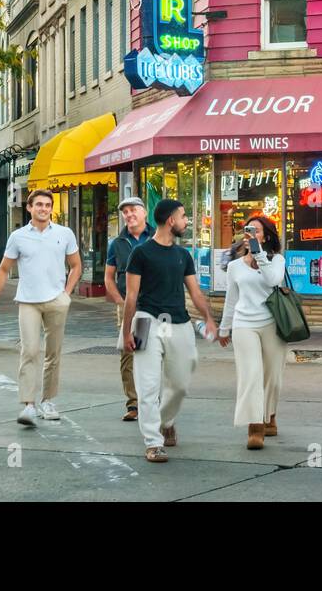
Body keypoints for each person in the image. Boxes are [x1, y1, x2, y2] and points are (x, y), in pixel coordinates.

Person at [122, 198, 218, 463]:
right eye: (184, 216)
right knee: (148, 384)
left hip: (178, 322)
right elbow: (131, 296)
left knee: (180, 383)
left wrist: (209, 318)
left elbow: (195, 291)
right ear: (170, 220)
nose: (187, 221)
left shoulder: (182, 255)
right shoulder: (140, 253)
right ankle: (154, 442)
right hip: (146, 321)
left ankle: (167, 421)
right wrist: (127, 332)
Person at [0, 189, 83, 427]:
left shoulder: (64, 233)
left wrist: (66, 294)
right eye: (39, 204)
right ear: (29, 207)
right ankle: (28, 405)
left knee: (53, 353)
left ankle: (48, 401)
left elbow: (76, 266)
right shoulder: (18, 237)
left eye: (48, 205)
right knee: (29, 350)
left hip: (57, 301)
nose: (43, 209)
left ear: (51, 208)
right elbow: (4, 270)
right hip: (28, 301)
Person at [216, 216, 287, 450]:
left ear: (265, 236)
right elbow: (231, 299)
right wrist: (224, 328)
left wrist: (259, 255)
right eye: (248, 231)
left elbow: (272, 280)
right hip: (244, 324)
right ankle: (254, 425)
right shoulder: (235, 266)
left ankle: (270, 414)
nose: (251, 235)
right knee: (251, 375)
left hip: (272, 323)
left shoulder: (276, 260)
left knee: (272, 377)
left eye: (256, 231)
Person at [104, 197, 153, 421]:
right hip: (128, 304)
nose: (129, 214)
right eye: (125, 212)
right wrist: (121, 303)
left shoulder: (157, 236)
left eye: (133, 210)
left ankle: (154, 399)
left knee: (155, 351)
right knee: (128, 352)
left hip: (155, 303)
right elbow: (109, 277)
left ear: (144, 212)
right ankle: (133, 403)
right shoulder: (117, 243)